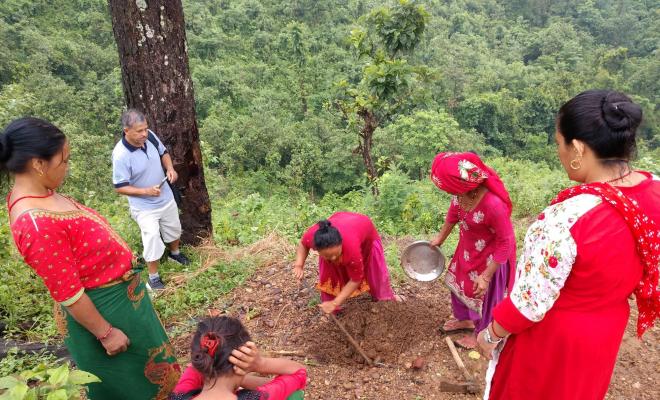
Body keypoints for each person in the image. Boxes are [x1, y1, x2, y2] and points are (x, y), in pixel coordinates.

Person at [477, 90, 660, 400]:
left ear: (578, 147)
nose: (559, 152)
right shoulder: (654, 188)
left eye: (558, 143)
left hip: (553, 341)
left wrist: (491, 334)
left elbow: (530, 302)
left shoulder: (566, 218)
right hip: (605, 328)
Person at [1, 117, 180, 399]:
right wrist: (106, 333)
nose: (67, 168)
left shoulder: (43, 194)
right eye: (64, 161)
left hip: (122, 302)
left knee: (154, 377)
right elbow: (67, 291)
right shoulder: (35, 223)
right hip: (104, 313)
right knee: (129, 386)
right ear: (38, 164)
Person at [429, 152, 516, 349]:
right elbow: (453, 215)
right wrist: (440, 238)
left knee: (483, 296)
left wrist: (486, 276)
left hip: (490, 259)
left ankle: (480, 333)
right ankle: (465, 320)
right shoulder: (461, 195)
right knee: (458, 285)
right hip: (468, 250)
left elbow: (506, 243)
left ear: (461, 184)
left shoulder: (494, 205)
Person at [112, 109, 189, 290]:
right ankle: (153, 278)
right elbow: (119, 186)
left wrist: (170, 169)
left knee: (174, 228)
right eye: (139, 131)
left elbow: (164, 153)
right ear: (126, 130)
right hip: (144, 206)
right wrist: (145, 191)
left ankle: (175, 254)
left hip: (165, 197)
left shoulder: (150, 137)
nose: (144, 134)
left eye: (145, 129)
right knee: (152, 237)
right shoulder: (121, 155)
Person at [170, 316, 306, 399]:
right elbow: (299, 372)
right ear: (242, 359)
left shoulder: (179, 395)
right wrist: (261, 364)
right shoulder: (257, 398)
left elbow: (194, 368)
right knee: (293, 396)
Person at [293, 212, 401, 315]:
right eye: (328, 256)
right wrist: (299, 265)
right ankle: (329, 310)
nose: (334, 258)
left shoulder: (351, 249)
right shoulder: (313, 237)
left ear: (341, 243)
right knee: (329, 272)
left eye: (337, 254)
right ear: (317, 249)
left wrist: (335, 303)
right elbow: (303, 244)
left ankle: (384, 299)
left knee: (374, 271)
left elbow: (356, 279)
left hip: (363, 228)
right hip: (342, 221)